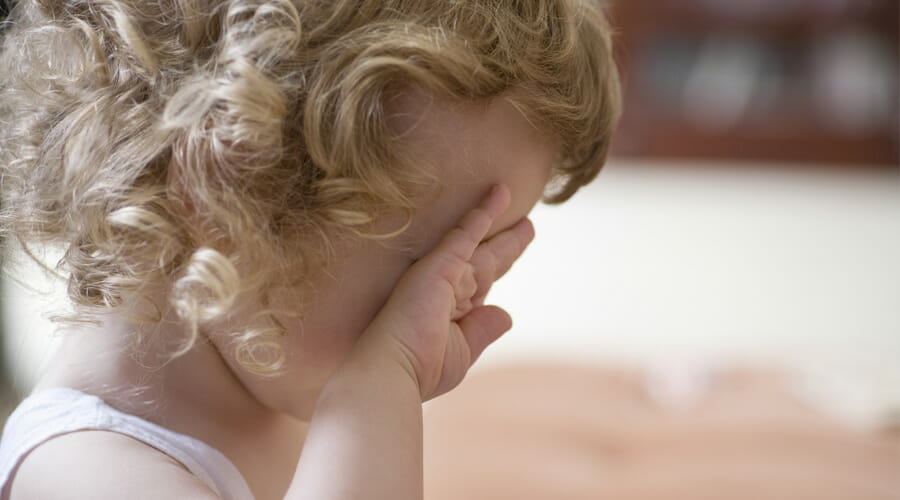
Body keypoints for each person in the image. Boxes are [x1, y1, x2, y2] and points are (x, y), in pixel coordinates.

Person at [0, 0, 620, 498]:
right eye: (425, 264)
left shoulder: (266, 387)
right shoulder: (79, 470)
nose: (456, 298)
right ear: (228, 201)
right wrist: (374, 396)